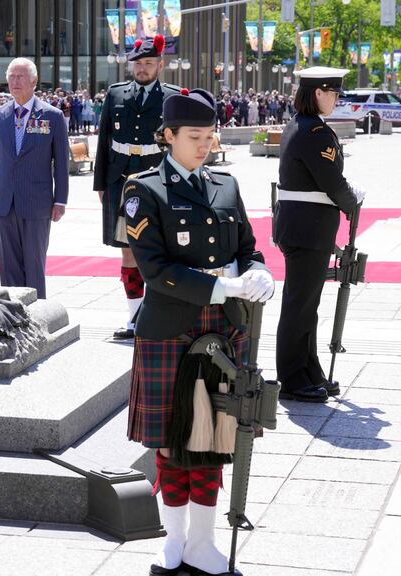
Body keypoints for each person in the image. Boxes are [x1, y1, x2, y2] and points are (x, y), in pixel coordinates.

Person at [122, 88, 273, 576]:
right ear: (168, 136)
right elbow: (155, 269)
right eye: (194, 136)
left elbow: (248, 245)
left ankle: (203, 544)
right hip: (171, 329)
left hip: (224, 332)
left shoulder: (225, 185)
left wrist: (258, 271)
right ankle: (174, 540)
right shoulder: (143, 190)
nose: (205, 144)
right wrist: (222, 285)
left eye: (210, 135)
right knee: (170, 441)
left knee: (213, 438)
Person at [273, 67, 364, 403]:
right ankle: (294, 379)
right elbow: (329, 180)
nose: (337, 98)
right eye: (333, 93)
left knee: (306, 305)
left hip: (303, 226)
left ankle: (310, 372)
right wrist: (352, 199)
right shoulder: (314, 132)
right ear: (317, 93)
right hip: (307, 228)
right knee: (300, 305)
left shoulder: (303, 126)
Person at [93, 34, 179, 339]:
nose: (142, 68)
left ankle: (156, 313)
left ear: (160, 64)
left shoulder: (172, 98)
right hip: (121, 181)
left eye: (148, 63)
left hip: (157, 180)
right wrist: (100, 184)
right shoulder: (115, 95)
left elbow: (178, 146)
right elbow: (103, 141)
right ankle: (133, 318)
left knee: (156, 249)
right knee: (127, 251)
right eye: (138, 63)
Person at [0, 58, 69, 299]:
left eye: (20, 76)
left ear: (33, 81)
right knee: (8, 267)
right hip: (4, 202)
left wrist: (60, 200)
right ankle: (12, 317)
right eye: (11, 76)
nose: (14, 81)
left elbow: (61, 162)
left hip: (36, 202)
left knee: (33, 265)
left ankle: (36, 316)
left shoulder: (52, 116)